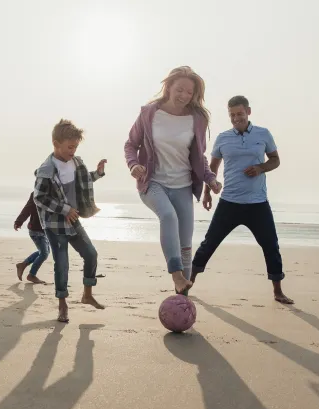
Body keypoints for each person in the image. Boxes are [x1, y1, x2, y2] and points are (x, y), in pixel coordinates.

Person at [124, 66, 222, 295]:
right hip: (153, 182)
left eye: (190, 92)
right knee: (167, 216)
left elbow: (199, 157)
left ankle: (183, 297)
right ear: (168, 87)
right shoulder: (149, 113)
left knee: (186, 247)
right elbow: (131, 144)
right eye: (180, 90)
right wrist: (133, 164)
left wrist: (210, 179)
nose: (185, 96)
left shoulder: (197, 119)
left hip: (183, 186)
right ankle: (176, 275)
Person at [191, 95, 294, 304]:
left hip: (258, 204)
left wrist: (260, 168)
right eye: (232, 115)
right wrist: (207, 192)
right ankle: (187, 282)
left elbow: (275, 160)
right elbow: (213, 168)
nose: (236, 118)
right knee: (209, 243)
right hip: (229, 202)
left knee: (271, 246)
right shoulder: (223, 138)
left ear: (248, 111)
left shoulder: (263, 134)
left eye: (239, 113)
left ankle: (278, 291)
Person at [33, 119, 107, 322]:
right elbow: (38, 197)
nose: (72, 151)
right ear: (56, 144)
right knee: (62, 264)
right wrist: (64, 209)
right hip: (55, 225)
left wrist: (98, 173)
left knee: (91, 254)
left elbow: (83, 181)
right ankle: (62, 305)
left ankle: (87, 294)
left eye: (75, 146)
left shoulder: (76, 162)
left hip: (73, 220)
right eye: (69, 147)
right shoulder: (47, 169)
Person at [14, 191, 50, 284]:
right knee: (44, 253)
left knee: (44, 252)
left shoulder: (54, 193)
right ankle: (31, 275)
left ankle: (23, 265)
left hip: (45, 230)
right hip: (36, 230)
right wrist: (19, 221)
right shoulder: (37, 194)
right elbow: (27, 208)